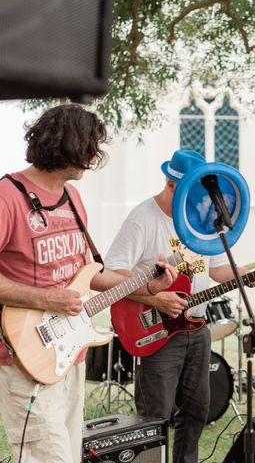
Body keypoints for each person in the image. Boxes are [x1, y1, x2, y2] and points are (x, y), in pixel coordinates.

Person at [0, 104, 177, 463]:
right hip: (26, 353)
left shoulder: (74, 199)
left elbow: (92, 274)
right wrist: (46, 298)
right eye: (91, 146)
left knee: (67, 454)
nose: (95, 156)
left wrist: (148, 286)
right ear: (70, 146)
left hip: (71, 353)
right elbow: (52, 294)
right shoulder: (8, 197)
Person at [105, 149, 255, 463]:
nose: (198, 200)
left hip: (196, 327)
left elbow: (217, 270)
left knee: (196, 411)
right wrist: (154, 298)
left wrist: (250, 275)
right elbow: (113, 273)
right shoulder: (144, 218)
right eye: (190, 191)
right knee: (155, 417)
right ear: (171, 184)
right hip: (157, 330)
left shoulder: (202, 222)